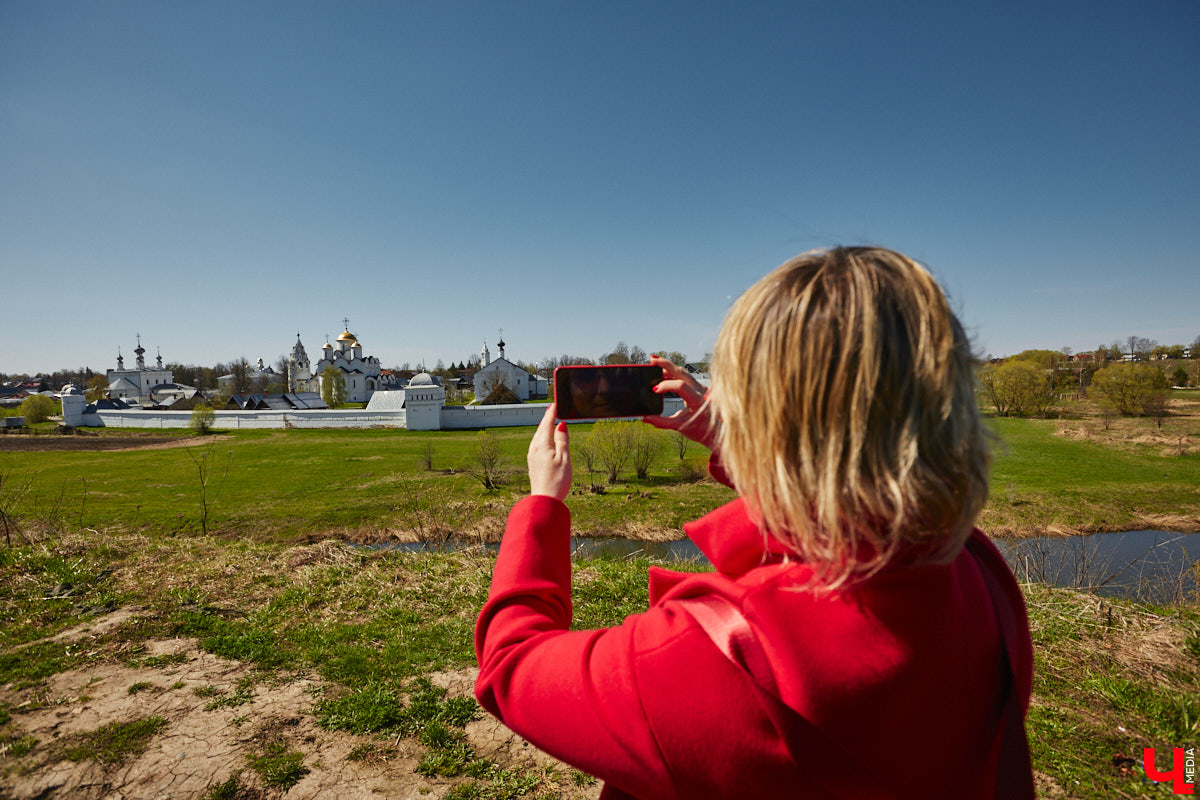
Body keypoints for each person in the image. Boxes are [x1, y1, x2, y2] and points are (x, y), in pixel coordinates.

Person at [474, 246, 1034, 799]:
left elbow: (512, 666)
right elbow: (846, 493)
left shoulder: (729, 657)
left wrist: (542, 506)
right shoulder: (974, 571)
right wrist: (734, 443)